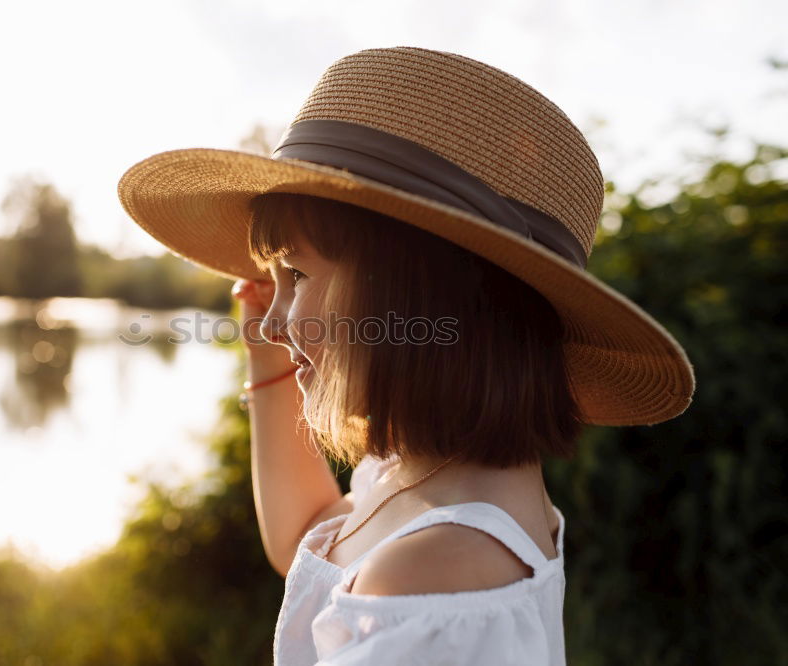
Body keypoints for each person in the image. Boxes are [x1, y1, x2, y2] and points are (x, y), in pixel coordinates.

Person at [117, 46, 695, 665]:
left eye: (299, 275)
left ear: (416, 294)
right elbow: (307, 541)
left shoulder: (435, 574)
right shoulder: (426, 478)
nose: (276, 320)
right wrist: (268, 357)